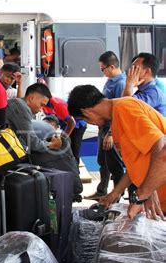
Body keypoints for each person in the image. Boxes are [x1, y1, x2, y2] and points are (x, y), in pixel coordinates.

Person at [68, 84, 166, 220]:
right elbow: (135, 165)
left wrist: (146, 192)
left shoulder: (124, 108)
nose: (91, 123)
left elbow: (160, 144)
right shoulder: (117, 120)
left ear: (87, 112)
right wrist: (115, 193)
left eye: (85, 120)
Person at [5, 83, 83, 198]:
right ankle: (72, 188)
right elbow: (33, 144)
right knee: (62, 146)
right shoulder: (21, 107)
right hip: (6, 152)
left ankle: (71, 187)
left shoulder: (18, 104)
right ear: (31, 98)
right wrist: (51, 144)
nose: (40, 110)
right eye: (41, 105)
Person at [87, 51, 126, 200]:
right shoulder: (111, 80)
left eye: (102, 69)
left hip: (112, 129)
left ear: (111, 67)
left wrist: (111, 133)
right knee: (102, 161)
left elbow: (119, 112)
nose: (102, 72)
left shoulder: (121, 83)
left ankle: (118, 196)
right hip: (103, 127)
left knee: (114, 164)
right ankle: (102, 190)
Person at [42, 95, 86, 163]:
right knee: (65, 147)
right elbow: (52, 119)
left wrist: (62, 139)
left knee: (73, 148)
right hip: (65, 123)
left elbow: (72, 123)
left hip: (77, 124)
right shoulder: (43, 105)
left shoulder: (57, 104)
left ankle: (75, 170)